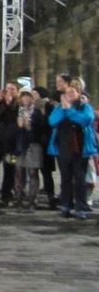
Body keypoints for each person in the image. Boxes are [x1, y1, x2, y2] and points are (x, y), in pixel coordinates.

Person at [48, 84, 96, 219]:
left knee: (80, 178)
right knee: (65, 178)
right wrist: (64, 109)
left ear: (78, 93)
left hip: (80, 148)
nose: (69, 94)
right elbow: (52, 121)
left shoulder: (85, 107)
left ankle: (81, 207)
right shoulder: (59, 108)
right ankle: (66, 206)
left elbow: (85, 120)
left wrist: (69, 110)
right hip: (63, 148)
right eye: (67, 92)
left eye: (72, 92)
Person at [14, 87, 42, 212]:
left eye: (28, 96)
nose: (25, 98)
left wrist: (28, 125)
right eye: (23, 96)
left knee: (32, 172)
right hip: (19, 144)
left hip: (33, 144)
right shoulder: (17, 110)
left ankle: (32, 202)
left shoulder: (36, 111)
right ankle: (18, 201)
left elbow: (39, 128)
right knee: (19, 171)